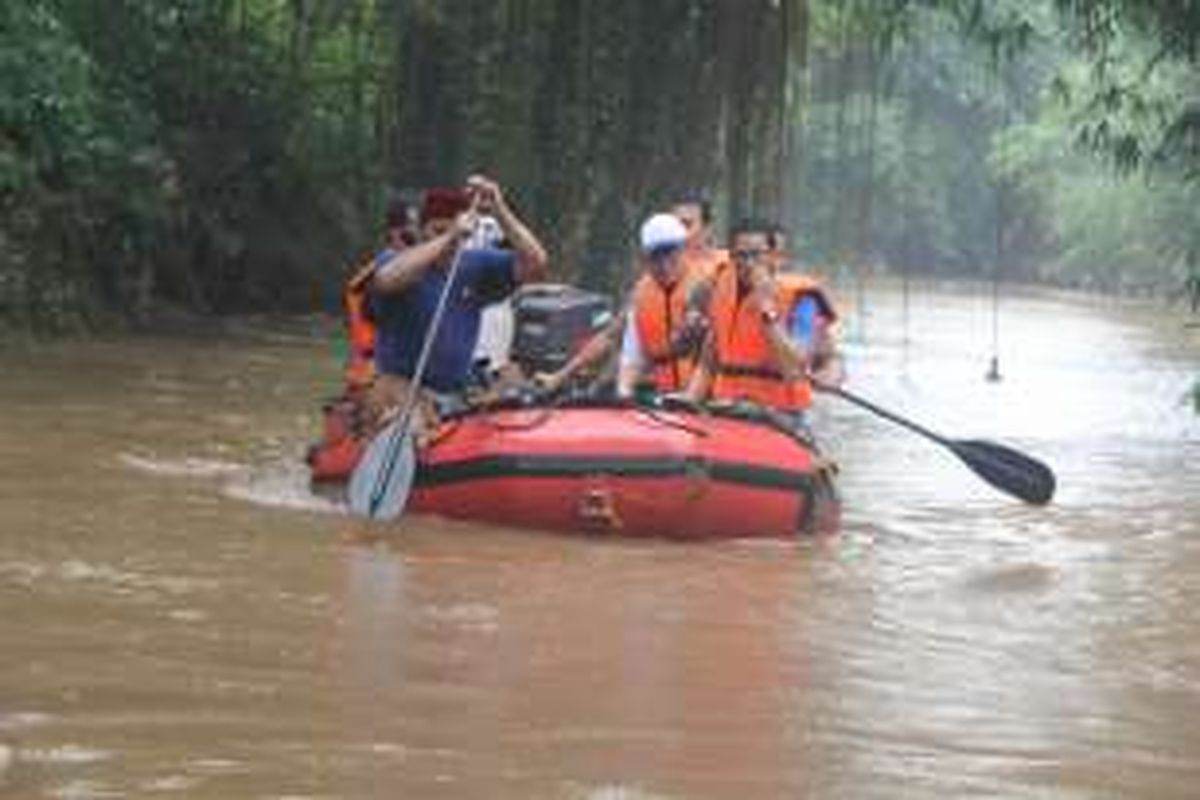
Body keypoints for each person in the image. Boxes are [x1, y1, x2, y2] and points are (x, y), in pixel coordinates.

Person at [367, 176, 547, 426]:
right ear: (419, 232)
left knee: (513, 388)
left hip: (457, 391)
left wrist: (499, 208)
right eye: (437, 230)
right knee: (405, 408)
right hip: (400, 386)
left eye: (460, 235)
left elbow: (536, 263)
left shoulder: (477, 263)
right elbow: (387, 279)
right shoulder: (396, 259)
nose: (454, 245)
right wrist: (450, 236)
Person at [685, 218, 840, 424]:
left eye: (756, 255)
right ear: (731, 257)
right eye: (741, 255)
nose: (748, 263)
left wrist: (768, 310)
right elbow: (707, 364)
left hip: (781, 416)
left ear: (772, 256)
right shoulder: (720, 293)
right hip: (726, 411)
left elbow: (793, 368)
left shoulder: (803, 301)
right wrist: (688, 402)